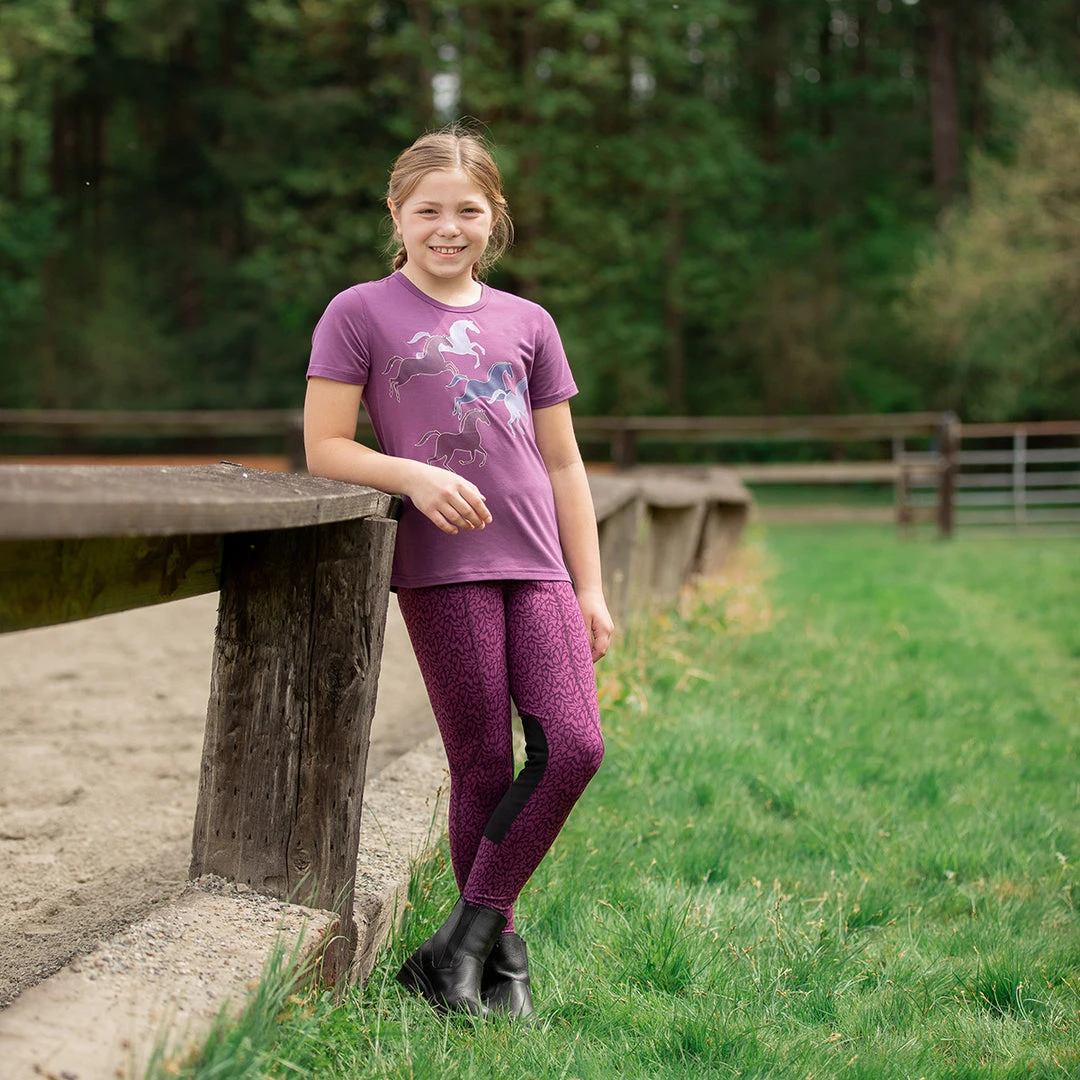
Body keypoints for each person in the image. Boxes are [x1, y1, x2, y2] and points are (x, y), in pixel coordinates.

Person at [303, 126, 612, 1019]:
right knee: (482, 764)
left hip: (540, 563)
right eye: (428, 210)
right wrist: (414, 475)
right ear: (396, 215)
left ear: (493, 217)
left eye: (467, 211)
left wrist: (589, 586)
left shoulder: (529, 322)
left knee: (575, 746)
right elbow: (325, 447)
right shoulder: (359, 312)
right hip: (444, 568)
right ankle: (499, 965)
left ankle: (460, 944)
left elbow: (564, 464)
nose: (448, 227)